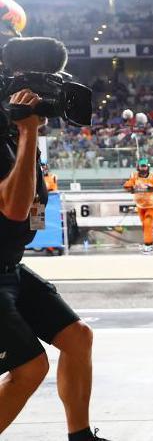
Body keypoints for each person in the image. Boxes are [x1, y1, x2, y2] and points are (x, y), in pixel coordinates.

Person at [0, 89, 110, 440]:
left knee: (78, 338)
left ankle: (81, 438)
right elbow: (15, 208)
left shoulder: (13, 141)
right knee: (30, 367)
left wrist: (26, 133)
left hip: (9, 267)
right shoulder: (20, 137)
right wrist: (29, 130)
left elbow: (29, 210)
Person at [123, 158, 153, 254]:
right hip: (140, 206)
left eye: (145, 166)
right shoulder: (134, 176)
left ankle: (148, 245)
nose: (144, 168)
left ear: (148, 167)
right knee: (145, 225)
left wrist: (149, 186)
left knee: (148, 223)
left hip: (151, 206)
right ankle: (148, 243)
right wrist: (131, 188)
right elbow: (127, 185)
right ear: (138, 167)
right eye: (142, 166)